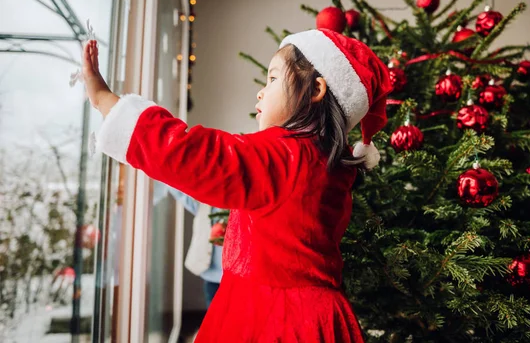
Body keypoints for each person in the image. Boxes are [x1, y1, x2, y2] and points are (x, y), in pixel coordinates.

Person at [79, 28, 392, 342]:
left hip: (277, 319)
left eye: (271, 79)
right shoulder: (328, 164)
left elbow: (195, 155)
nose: (260, 92)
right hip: (317, 316)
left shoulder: (286, 156)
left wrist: (106, 100)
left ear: (316, 90)